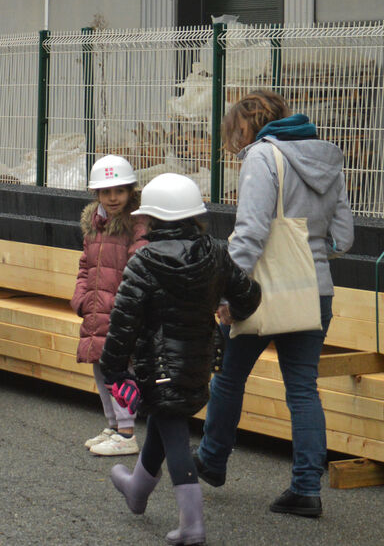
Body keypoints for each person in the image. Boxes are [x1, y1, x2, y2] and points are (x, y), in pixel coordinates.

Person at [195, 90, 354, 518]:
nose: (234, 140)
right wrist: (310, 254)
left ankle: (211, 461)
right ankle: (305, 489)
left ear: (246, 125)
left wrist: (228, 294)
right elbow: (343, 238)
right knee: (303, 390)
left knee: (229, 378)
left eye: (235, 131)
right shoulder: (328, 158)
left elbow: (249, 235)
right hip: (315, 291)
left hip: (261, 291)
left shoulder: (263, 158)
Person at [101, 173, 261, 546]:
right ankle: (137, 489)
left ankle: (192, 523)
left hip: (156, 365)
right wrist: (228, 306)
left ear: (151, 218)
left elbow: (123, 322)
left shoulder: (144, 262)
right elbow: (249, 296)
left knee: (174, 435)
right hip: (199, 359)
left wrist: (112, 369)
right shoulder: (216, 254)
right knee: (164, 418)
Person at [71, 155, 148, 456]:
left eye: (119, 190)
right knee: (100, 368)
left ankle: (127, 432)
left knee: (120, 369)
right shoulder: (94, 224)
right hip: (96, 310)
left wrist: (123, 305)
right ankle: (114, 425)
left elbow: (138, 266)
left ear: (130, 191)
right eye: (106, 191)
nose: (113, 197)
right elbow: (84, 266)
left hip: (121, 311)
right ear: (97, 195)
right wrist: (80, 299)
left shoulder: (137, 224)